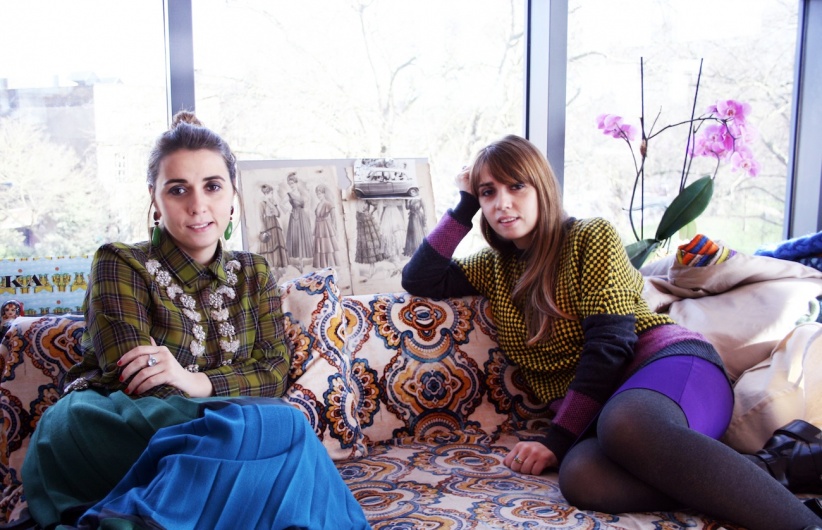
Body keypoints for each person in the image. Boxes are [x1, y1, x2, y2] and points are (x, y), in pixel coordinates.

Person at [401, 134, 822, 530]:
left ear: (542, 188)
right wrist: (464, 205)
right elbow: (420, 278)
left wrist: (556, 440)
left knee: (625, 423)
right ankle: (768, 468)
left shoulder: (590, 236)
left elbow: (611, 345)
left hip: (675, 372)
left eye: (516, 186)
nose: (502, 203)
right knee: (583, 477)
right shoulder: (493, 266)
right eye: (488, 192)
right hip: (610, 412)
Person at [21, 112, 369, 530]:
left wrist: (194, 380)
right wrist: (225, 397)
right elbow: (136, 377)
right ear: (154, 198)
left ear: (232, 193)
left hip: (223, 434)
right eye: (178, 189)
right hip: (114, 423)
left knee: (275, 423)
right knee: (274, 426)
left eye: (212, 186)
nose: (198, 205)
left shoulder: (254, 272)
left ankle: (136, 518)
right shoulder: (120, 261)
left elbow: (274, 372)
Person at [258, 183, 288, 277]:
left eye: (272, 193)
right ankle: (270, 269)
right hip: (267, 225)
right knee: (269, 246)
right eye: (270, 193)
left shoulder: (273, 202)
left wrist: (271, 204)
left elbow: (278, 214)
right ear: (266, 194)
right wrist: (264, 228)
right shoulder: (262, 204)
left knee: (276, 244)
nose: (272, 195)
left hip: (275, 224)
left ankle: (277, 267)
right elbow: (261, 217)